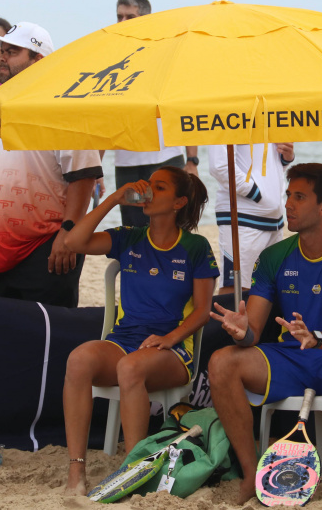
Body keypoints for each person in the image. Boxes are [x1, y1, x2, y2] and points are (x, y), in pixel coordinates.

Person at [208, 163, 322, 509]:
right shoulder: (275, 256)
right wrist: (242, 331)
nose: (288, 204)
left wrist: (319, 337)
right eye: (288, 195)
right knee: (222, 362)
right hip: (291, 358)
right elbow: (254, 333)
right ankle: (250, 473)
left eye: (300, 197)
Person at [61, 166, 218, 495]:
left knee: (130, 367)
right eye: (148, 186)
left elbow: (204, 310)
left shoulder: (196, 247)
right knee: (78, 359)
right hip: (125, 340)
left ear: (178, 203)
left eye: (158, 188)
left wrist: (170, 338)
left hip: (173, 351)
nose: (147, 192)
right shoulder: (129, 236)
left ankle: (134, 469)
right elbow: (73, 241)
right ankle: (76, 469)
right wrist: (116, 197)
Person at [0, 22, 102, 308]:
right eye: (3, 50)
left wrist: (67, 233)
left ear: (39, 60)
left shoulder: (65, 109)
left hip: (45, 248)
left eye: (12, 51)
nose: (2, 56)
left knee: (44, 337)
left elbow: (83, 177)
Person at [111, 0, 200, 227]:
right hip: (127, 162)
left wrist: (192, 160)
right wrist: (95, 169)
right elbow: (103, 115)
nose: (123, 22)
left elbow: (184, 107)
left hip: (165, 158)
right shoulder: (110, 60)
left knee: (171, 226)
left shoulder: (165, 55)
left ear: (146, 19)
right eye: (119, 16)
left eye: (130, 16)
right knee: (134, 230)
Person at [208, 142, 294, 294]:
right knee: (236, 288)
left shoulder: (269, 118)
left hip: (274, 219)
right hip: (242, 216)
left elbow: (268, 165)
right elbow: (219, 166)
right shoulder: (228, 116)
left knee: (268, 288)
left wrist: (286, 158)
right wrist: (255, 193)